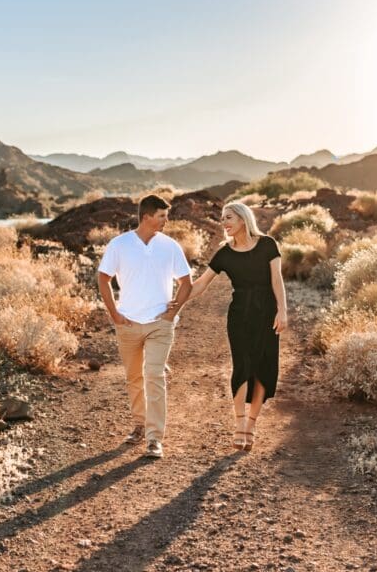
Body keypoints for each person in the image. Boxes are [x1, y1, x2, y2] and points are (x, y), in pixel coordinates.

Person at [178, 202, 287, 451]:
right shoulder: (224, 253)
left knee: (264, 368)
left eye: (228, 218)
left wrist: (282, 310)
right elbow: (201, 284)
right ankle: (239, 425)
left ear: (243, 219)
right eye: (222, 218)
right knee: (242, 367)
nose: (224, 223)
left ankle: (251, 425)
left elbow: (276, 279)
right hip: (240, 316)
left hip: (267, 313)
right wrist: (177, 301)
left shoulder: (268, 244)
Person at [97, 194, 192, 459]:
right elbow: (103, 278)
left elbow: (186, 282)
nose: (166, 220)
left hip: (159, 325)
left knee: (154, 376)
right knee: (134, 378)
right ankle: (139, 425)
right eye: (162, 215)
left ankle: (154, 439)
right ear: (147, 216)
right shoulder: (120, 244)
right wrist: (114, 314)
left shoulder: (170, 246)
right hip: (127, 323)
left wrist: (172, 313)